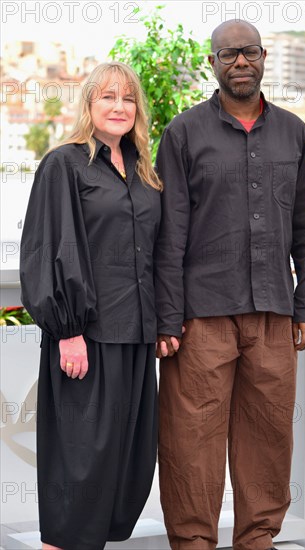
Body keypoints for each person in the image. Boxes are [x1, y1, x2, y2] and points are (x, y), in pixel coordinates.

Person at [155, 20, 305, 550]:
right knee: (190, 440)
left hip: (274, 315)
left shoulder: (294, 132)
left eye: (248, 52)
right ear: (213, 63)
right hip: (200, 317)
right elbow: (169, 232)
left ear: (264, 56)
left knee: (268, 437)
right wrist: (167, 315)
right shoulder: (182, 133)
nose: (240, 62)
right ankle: (193, 542)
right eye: (228, 55)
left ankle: (258, 539)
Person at [20, 61, 162, 550]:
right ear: (89, 105)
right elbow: (48, 248)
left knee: (126, 463)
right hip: (88, 336)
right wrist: (68, 330)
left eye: (127, 98)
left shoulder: (145, 173)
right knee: (80, 466)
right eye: (107, 96)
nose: (119, 106)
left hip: (138, 336)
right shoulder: (65, 164)